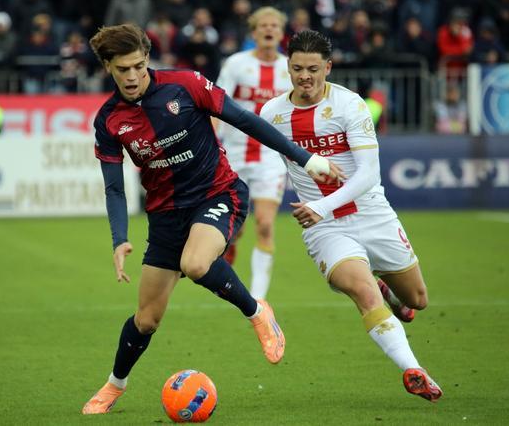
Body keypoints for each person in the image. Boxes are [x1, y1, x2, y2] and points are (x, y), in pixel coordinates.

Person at [82, 23, 342, 415]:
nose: (132, 76)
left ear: (148, 58)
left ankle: (257, 311)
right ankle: (114, 386)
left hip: (218, 194)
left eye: (138, 66)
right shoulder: (109, 120)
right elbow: (115, 189)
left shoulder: (185, 85)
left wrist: (305, 159)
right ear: (107, 67)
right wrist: (119, 239)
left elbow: (246, 120)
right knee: (147, 319)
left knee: (196, 263)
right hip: (165, 216)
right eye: (122, 69)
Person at [259, 30, 443, 402]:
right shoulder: (272, 114)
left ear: (328, 67)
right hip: (324, 227)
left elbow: (368, 174)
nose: (305, 77)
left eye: (313, 69)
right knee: (362, 291)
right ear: (288, 67)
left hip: (371, 213)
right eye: (297, 69)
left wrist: (321, 205)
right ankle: (413, 369)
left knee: (417, 299)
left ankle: (391, 291)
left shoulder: (349, 105)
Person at [215, 6, 290, 300]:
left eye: (274, 25)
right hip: (234, 155)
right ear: (254, 32)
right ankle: (231, 244)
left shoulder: (290, 68)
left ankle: (258, 299)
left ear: (281, 33)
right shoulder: (236, 64)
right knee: (235, 228)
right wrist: (212, 140)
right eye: (263, 25)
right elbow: (216, 104)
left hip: (271, 158)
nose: (269, 29)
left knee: (266, 224)